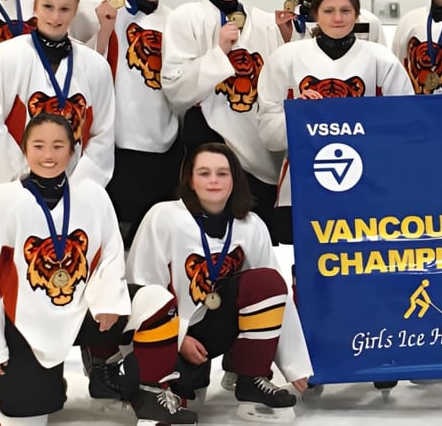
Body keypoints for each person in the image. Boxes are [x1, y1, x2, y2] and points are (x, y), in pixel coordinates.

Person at [126, 142, 312, 423]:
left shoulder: (251, 225)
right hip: (170, 331)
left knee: (267, 281)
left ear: (235, 179)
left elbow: (277, 297)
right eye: (204, 173)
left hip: (216, 325)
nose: (213, 180)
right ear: (190, 179)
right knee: (187, 397)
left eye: (222, 173)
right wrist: (177, 338)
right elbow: (142, 288)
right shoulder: (163, 217)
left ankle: (251, 380)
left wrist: (295, 365)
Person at [0, 113, 129, 426]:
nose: (49, 155)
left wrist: (108, 301)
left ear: (73, 151)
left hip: (81, 310)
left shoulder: (92, 196)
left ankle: (153, 391)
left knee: (154, 303)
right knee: (30, 419)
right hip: (22, 321)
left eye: (58, 146)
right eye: (39, 145)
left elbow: (111, 253)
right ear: (24, 149)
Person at [258, 0, 413, 244]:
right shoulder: (286, 57)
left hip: (369, 190)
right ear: (316, 13)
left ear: (357, 13)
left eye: (345, 10)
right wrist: (301, 117)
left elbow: (408, 126)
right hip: (301, 190)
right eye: (329, 11)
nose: (337, 18)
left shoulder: (380, 58)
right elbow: (268, 136)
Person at [161, 0, 285, 232]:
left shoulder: (264, 23)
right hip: (208, 140)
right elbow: (176, 89)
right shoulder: (186, 17)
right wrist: (218, 53)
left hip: (257, 148)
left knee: (257, 235)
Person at [70, 0, 181, 245]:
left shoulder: (170, 19)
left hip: (163, 145)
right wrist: (103, 29)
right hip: (117, 145)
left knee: (152, 238)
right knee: (116, 235)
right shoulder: (96, 1)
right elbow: (78, 58)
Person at [0, 0, 116, 197]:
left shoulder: (96, 66)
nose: (55, 17)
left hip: (71, 193)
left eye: (64, 9)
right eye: (48, 7)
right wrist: (25, 177)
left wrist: (76, 187)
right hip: (12, 190)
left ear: (75, 11)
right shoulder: (6, 56)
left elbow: (103, 135)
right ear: (35, 7)